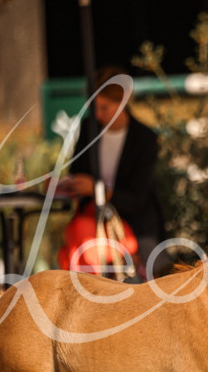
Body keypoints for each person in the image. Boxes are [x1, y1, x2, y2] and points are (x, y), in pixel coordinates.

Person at [60, 66, 166, 279]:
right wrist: (68, 186)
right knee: (81, 237)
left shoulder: (144, 139)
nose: (98, 114)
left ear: (122, 103)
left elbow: (136, 199)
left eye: (104, 108)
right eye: (94, 107)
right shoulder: (90, 128)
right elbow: (77, 171)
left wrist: (97, 189)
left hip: (135, 224)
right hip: (93, 220)